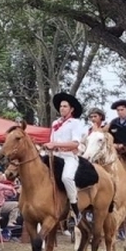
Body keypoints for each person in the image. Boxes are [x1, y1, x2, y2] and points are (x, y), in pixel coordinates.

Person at [44, 92, 89, 223]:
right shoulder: (55, 123)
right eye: (61, 106)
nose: (62, 108)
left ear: (71, 109)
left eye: (65, 106)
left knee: (66, 177)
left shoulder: (75, 123)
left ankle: (74, 207)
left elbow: (75, 143)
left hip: (69, 157)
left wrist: (55, 144)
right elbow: (52, 141)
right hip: (55, 155)